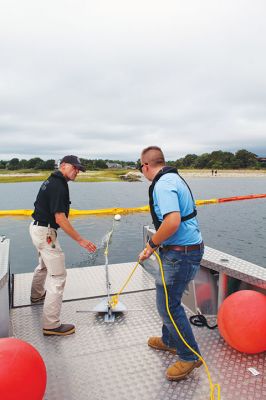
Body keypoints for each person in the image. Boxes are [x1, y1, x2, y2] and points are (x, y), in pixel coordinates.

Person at [138, 146, 204, 381]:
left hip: (181, 254)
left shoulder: (164, 184)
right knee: (169, 299)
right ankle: (169, 341)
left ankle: (189, 355)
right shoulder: (173, 177)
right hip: (184, 250)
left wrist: (151, 246)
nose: (142, 171)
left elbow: (173, 221)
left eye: (140, 167)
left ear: (146, 165)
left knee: (168, 306)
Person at [29, 155, 97, 336]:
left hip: (36, 228)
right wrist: (81, 240)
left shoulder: (52, 180)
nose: (77, 172)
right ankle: (51, 325)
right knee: (58, 276)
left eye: (79, 170)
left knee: (44, 265)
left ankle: (36, 296)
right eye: (75, 168)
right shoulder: (58, 185)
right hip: (46, 233)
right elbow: (60, 217)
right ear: (64, 165)